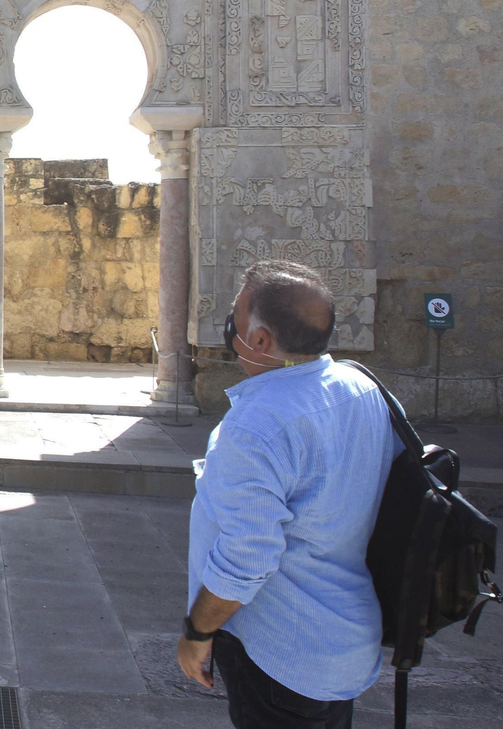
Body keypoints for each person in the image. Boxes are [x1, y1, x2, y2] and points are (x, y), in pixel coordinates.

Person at [178, 259, 398, 728]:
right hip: (345, 638)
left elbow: (248, 554)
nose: (230, 324)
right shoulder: (362, 388)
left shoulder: (255, 426)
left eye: (237, 315)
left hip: (282, 653)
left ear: (260, 340)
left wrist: (197, 631)